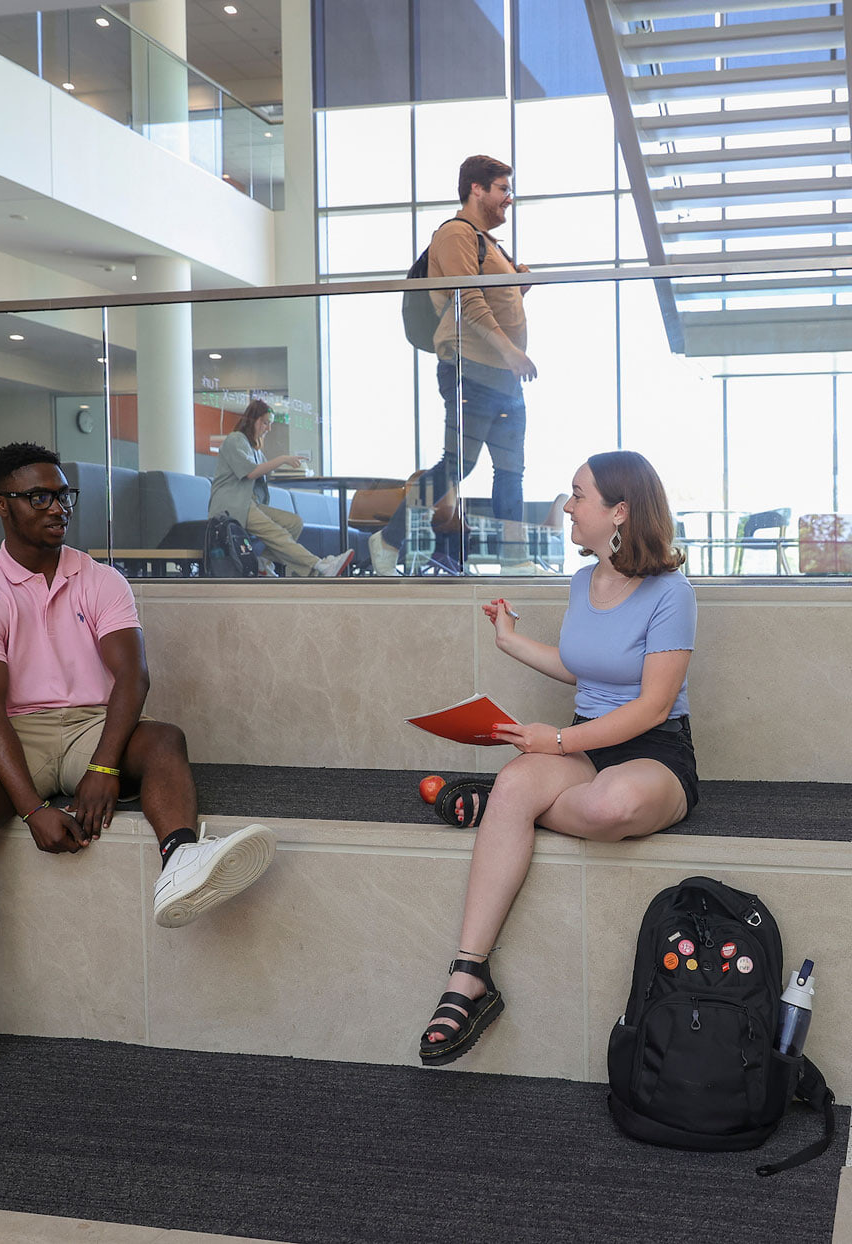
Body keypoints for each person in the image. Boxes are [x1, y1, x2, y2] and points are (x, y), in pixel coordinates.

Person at [0, 442, 277, 1098]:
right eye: (40, 497)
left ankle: (182, 862)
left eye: (64, 495)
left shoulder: (100, 579)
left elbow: (132, 678)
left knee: (164, 738)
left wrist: (106, 766)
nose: (58, 508)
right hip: (11, 735)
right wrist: (33, 810)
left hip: (89, 725)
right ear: (2, 505)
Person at [416, 451, 698, 1065]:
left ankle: (500, 810)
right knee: (522, 782)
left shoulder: (671, 593)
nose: (567, 506)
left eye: (578, 494)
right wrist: (510, 641)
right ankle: (468, 977)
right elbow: (582, 667)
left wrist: (559, 743)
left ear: (619, 510)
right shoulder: (582, 581)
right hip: (585, 739)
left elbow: (652, 706)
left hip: (652, 750)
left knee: (610, 806)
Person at [370, 154, 536, 575]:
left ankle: (514, 560)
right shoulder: (456, 235)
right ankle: (388, 540)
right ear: (476, 189)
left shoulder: (490, 244)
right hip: (472, 370)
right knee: (459, 464)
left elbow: (490, 303)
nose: (508, 199)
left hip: (502, 376)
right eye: (503, 189)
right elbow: (470, 305)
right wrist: (511, 353)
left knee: (510, 470)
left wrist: (520, 289)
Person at [209, 399, 353, 578]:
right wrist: (283, 459)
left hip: (249, 503)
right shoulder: (235, 439)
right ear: (252, 420)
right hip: (232, 505)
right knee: (276, 532)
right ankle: (319, 565)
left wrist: (297, 471)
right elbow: (251, 472)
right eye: (265, 422)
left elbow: (265, 473)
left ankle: (262, 561)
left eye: (270, 424)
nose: (268, 428)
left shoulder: (254, 449)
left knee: (293, 523)